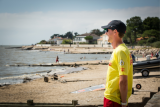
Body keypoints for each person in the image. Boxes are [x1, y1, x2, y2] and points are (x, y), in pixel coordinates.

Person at [101, 20, 133, 107]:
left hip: (114, 99)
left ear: (115, 31)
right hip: (113, 98)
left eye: (107, 30)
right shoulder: (121, 49)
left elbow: (123, 81)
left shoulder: (120, 51)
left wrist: (123, 103)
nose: (106, 33)